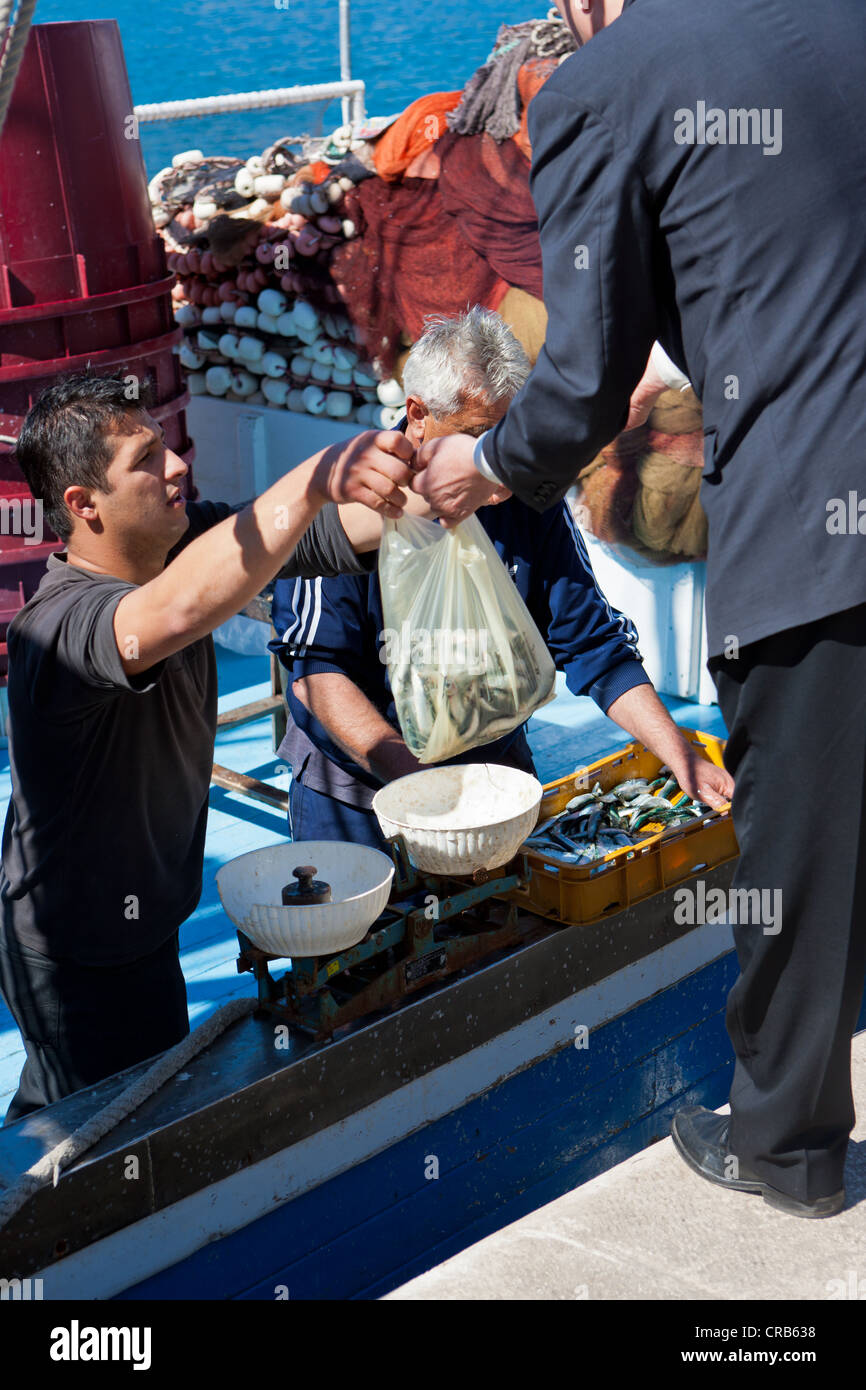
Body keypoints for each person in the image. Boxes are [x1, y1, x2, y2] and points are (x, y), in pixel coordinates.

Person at [413, 0, 866, 1218]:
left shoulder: (612, 81)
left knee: (800, 854)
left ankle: (787, 1147)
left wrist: (485, 465)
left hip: (819, 528)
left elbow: (576, 386)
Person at [0, 371, 418, 1123]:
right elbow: (179, 607)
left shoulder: (181, 542)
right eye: (146, 459)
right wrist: (320, 472)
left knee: (141, 1102)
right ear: (81, 505)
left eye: (167, 445)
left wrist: (474, 467)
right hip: (76, 951)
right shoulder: (56, 629)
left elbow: (328, 531)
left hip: (147, 917)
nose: (177, 465)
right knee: (86, 1143)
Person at [272, 309, 732, 849]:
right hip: (357, 794)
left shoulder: (526, 498)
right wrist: (415, 785)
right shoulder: (345, 498)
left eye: (508, 438)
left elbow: (592, 643)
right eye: (474, 436)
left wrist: (676, 749)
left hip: (495, 780)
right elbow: (317, 671)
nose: (494, 468)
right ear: (417, 415)